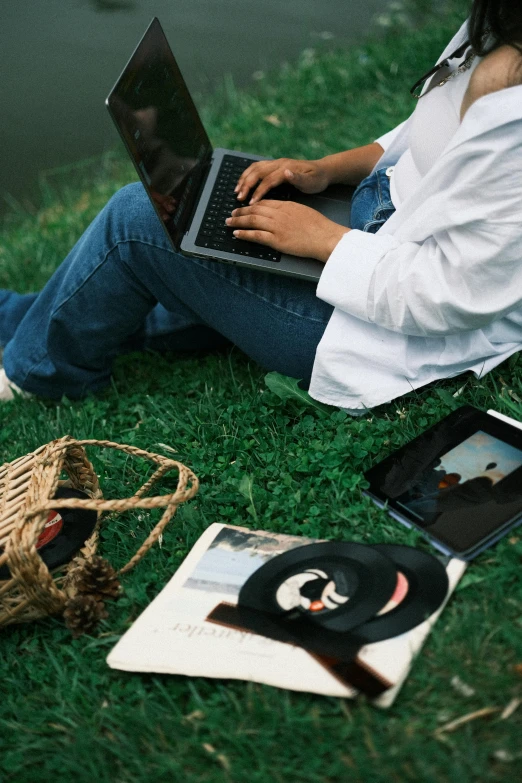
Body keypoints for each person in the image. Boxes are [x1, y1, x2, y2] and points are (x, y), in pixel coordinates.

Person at [1, 0, 521, 410]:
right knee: (201, 224)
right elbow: (426, 140)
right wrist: (325, 170)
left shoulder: (512, 93)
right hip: (373, 232)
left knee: (136, 221)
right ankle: (22, 319)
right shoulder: (501, 28)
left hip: (374, 334)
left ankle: (39, 375)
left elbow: (449, 292)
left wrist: (322, 240)